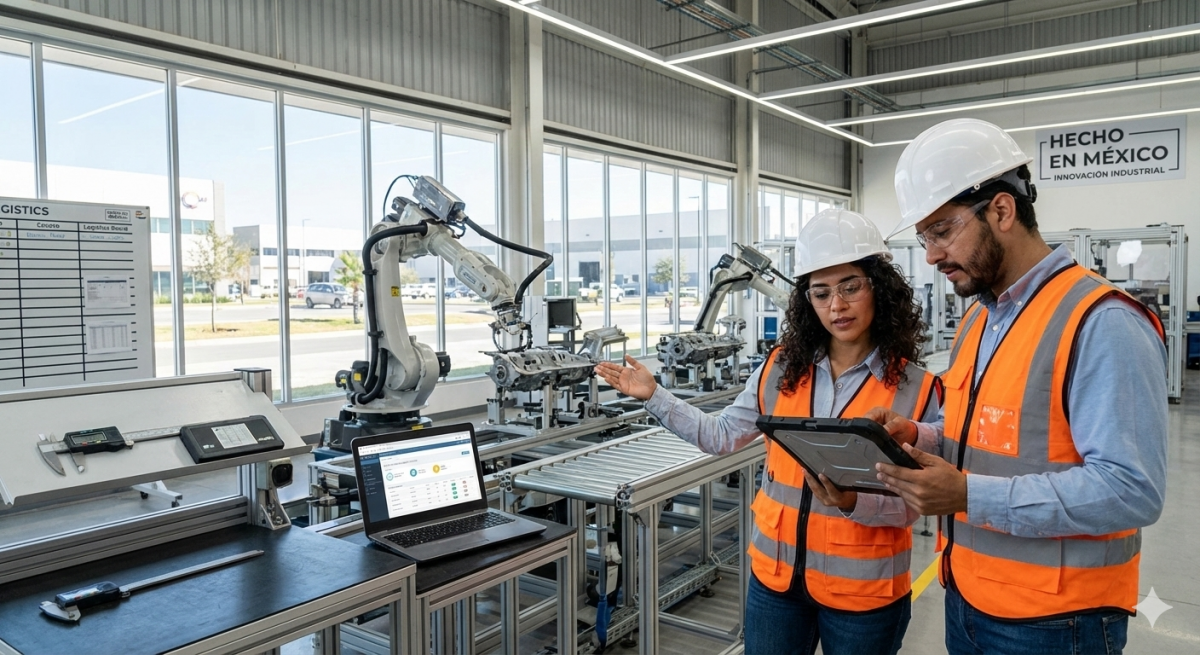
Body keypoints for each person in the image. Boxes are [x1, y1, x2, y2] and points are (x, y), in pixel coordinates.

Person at [870, 118, 1168, 655]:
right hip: (967, 595)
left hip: (1058, 622)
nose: (932, 255)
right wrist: (918, 435)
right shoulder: (979, 320)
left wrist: (967, 494)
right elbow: (989, 433)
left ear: (1002, 210)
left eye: (942, 231)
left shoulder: (1101, 322)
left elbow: (1131, 490)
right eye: (924, 238)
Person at [596, 209, 940, 655]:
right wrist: (654, 395)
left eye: (850, 287)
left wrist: (854, 501)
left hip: (863, 593)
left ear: (879, 287)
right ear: (807, 302)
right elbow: (720, 436)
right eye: (821, 293)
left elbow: (918, 502)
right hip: (776, 584)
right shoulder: (780, 368)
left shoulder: (916, 387)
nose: (836, 305)